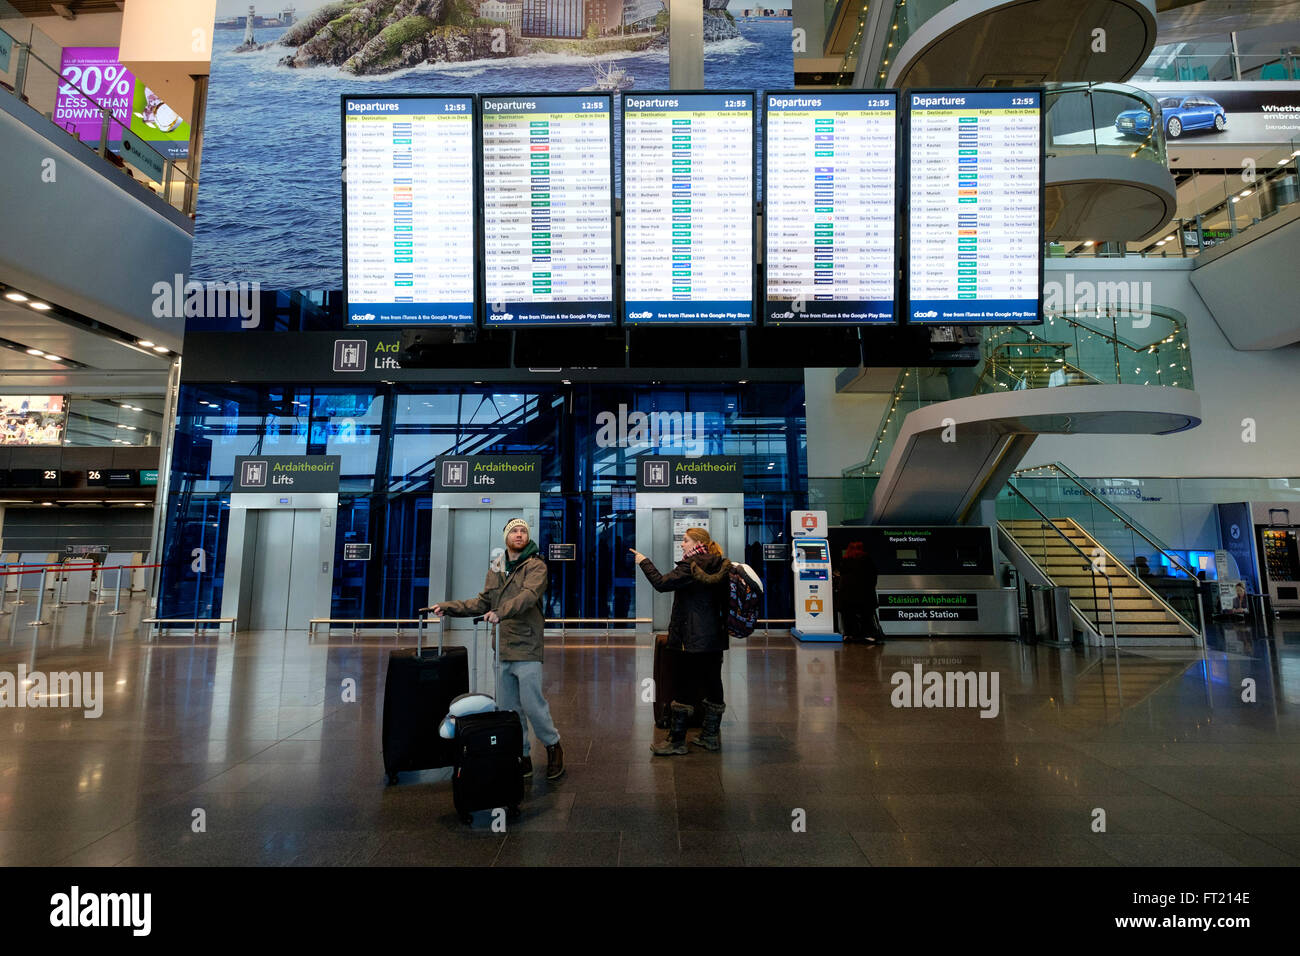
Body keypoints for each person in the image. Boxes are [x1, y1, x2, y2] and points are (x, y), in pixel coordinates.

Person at [432, 518, 564, 781]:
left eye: (523, 531)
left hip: (526, 645)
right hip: (502, 646)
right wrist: (449, 607)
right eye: (514, 530)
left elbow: (527, 597)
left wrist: (499, 612)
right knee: (509, 708)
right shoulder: (497, 564)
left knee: (533, 704)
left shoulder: (536, 565)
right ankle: (522, 755)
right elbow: (484, 601)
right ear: (506, 536)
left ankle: (553, 745)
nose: (519, 534)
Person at [631, 527, 732, 756]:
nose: (682, 544)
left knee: (684, 685)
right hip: (715, 636)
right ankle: (709, 737)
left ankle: (677, 741)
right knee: (713, 682)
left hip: (691, 638)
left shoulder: (691, 566)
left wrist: (643, 561)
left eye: (685, 541)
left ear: (697, 542)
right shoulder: (720, 564)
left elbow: (661, 583)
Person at [837, 541, 883, 645]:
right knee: (866, 615)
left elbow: (841, 574)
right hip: (865, 595)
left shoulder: (845, 560)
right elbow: (874, 575)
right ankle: (868, 635)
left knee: (848, 615)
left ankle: (849, 635)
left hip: (847, 595)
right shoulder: (866, 559)